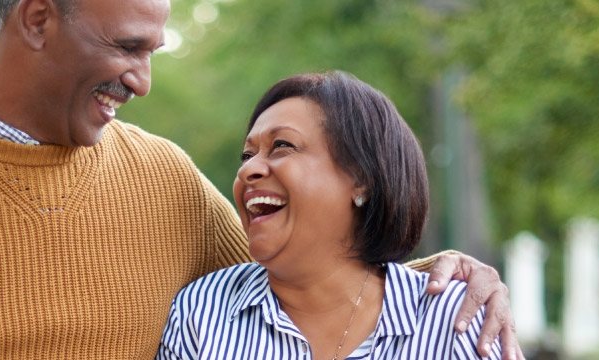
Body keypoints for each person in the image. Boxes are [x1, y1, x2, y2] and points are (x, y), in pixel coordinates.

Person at [0, 0, 521, 358]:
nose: (144, 81)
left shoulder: (162, 180)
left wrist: (439, 277)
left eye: (155, 49)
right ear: (36, 19)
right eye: (129, 47)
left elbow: (302, 283)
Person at [157, 71, 501, 359]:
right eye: (246, 155)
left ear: (363, 181)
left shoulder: (456, 317)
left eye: (282, 146)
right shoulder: (201, 313)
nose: (249, 170)